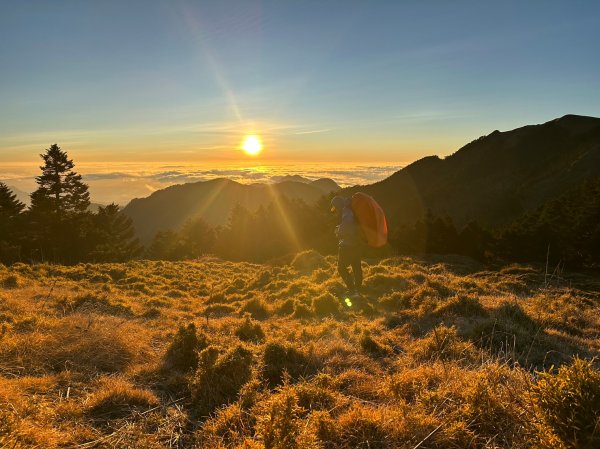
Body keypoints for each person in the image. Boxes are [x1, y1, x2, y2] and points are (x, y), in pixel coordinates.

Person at [331, 196, 363, 297]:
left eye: (335, 208)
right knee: (356, 267)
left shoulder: (346, 211)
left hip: (347, 246)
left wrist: (339, 231)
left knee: (341, 268)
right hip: (356, 244)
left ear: (338, 205)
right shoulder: (351, 209)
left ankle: (352, 290)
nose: (335, 211)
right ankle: (358, 290)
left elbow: (347, 223)